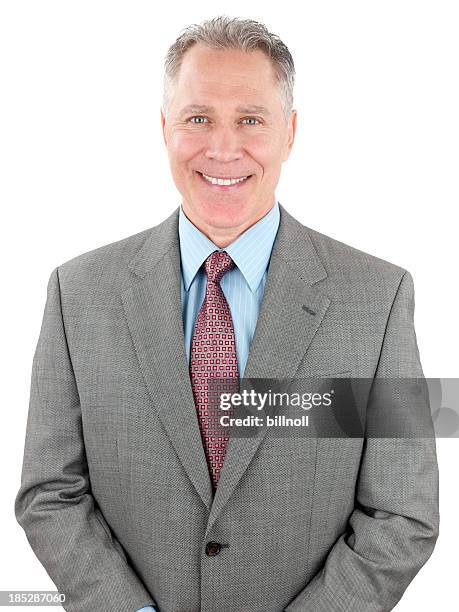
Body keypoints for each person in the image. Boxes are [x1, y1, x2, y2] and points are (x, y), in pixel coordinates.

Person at [15, 15, 439, 612]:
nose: (221, 147)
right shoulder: (78, 292)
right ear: (165, 128)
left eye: (250, 119)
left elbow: (402, 512)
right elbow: (50, 491)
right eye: (198, 118)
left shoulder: (379, 297)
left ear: (289, 133)